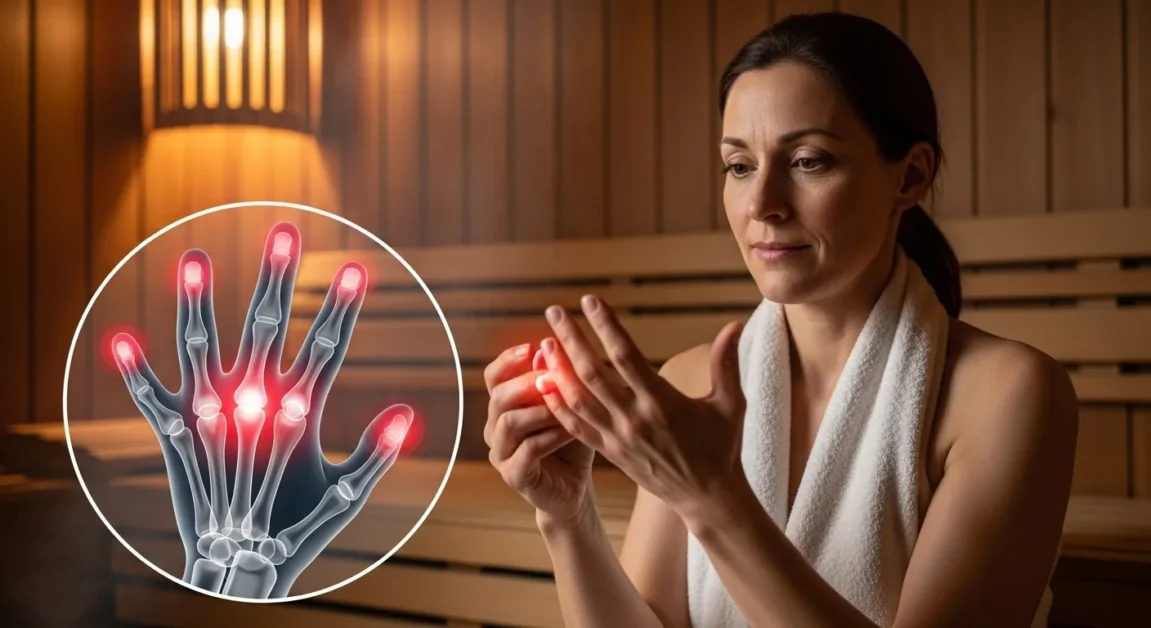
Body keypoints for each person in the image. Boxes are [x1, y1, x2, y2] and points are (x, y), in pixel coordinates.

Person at [482, 12, 1078, 627]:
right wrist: (566, 516)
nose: (762, 204)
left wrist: (712, 500)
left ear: (911, 175)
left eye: (809, 161)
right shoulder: (690, 383)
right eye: (739, 166)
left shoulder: (1008, 394)